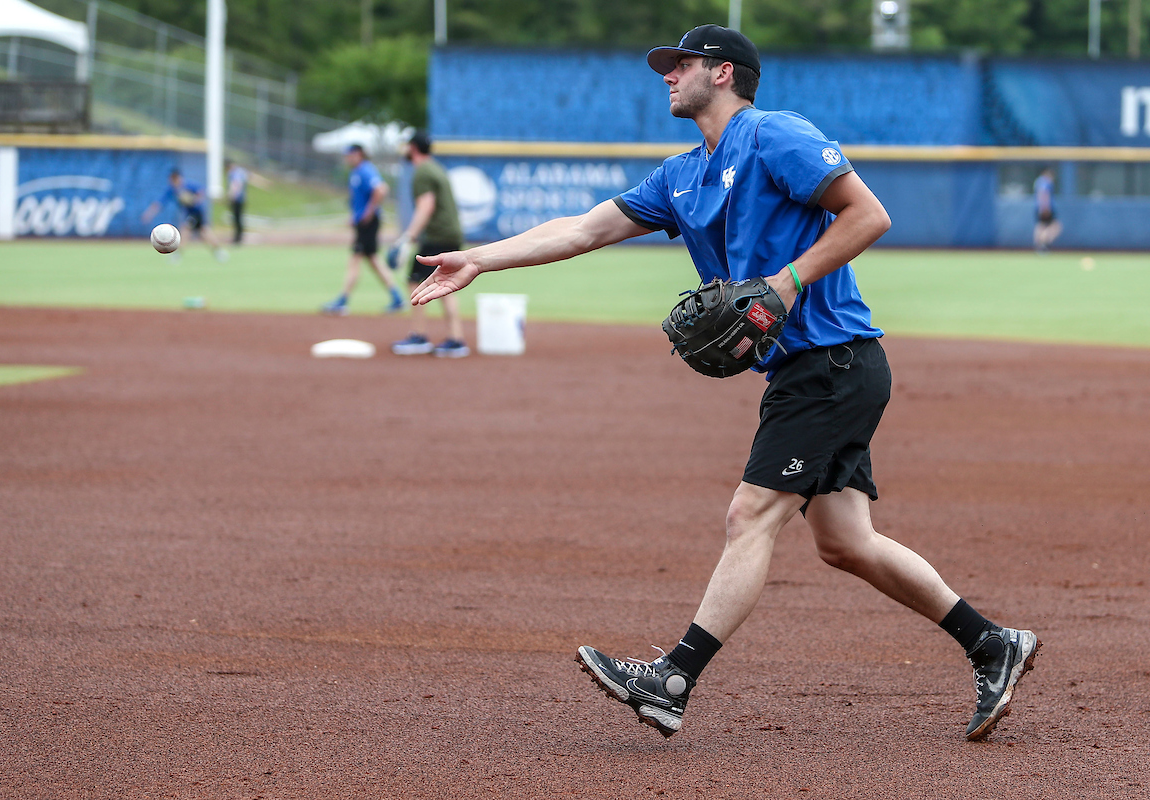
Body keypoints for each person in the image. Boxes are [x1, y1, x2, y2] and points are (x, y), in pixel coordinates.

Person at [410, 25, 1039, 740]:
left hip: (834, 361)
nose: (667, 77)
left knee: (752, 514)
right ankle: (994, 644)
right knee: (845, 542)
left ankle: (672, 680)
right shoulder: (681, 175)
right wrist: (482, 260)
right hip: (808, 371)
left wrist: (786, 280)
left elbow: (869, 214)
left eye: (679, 65)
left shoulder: (776, 135)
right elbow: (584, 229)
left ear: (724, 71)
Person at [390, 131, 470, 357]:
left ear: (413, 148)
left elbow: (426, 206)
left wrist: (408, 237)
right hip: (449, 234)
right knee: (445, 283)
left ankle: (419, 336)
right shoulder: (434, 167)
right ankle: (456, 338)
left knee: (415, 281)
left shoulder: (422, 171)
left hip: (438, 235)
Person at [321, 144, 405, 316]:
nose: (347, 158)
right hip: (363, 222)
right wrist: (357, 215)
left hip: (369, 223)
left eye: (349, 155)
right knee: (373, 260)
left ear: (358, 154)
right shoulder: (356, 172)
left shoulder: (365, 170)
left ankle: (342, 301)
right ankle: (397, 297)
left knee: (355, 259)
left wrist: (368, 212)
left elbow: (381, 189)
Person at [141, 169, 228, 261]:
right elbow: (160, 203)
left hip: (196, 212)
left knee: (186, 230)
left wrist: (195, 199)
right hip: (189, 213)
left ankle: (177, 254)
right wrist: (149, 214)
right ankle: (218, 251)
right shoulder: (172, 189)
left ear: (178, 178)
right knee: (204, 233)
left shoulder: (187, 185)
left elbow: (201, 190)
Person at [1033, 167, 1062, 253]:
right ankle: (1043, 245)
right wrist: (1045, 208)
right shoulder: (1045, 181)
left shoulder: (1039, 181)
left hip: (1039, 208)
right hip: (1045, 208)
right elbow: (1043, 194)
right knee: (1055, 227)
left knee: (1041, 227)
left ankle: (1039, 246)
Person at [226, 159, 248, 245]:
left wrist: (231, 196)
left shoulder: (234, 173)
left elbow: (236, 185)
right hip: (241, 199)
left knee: (237, 218)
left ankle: (238, 237)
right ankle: (238, 236)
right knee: (238, 218)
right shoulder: (240, 172)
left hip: (237, 199)